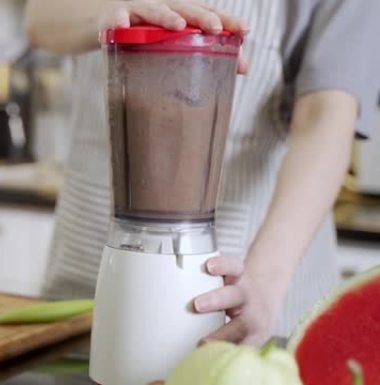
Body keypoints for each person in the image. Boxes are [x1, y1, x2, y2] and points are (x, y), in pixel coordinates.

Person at [25, 0, 380, 345]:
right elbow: (40, 17)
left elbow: (326, 114)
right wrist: (108, 12)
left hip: (243, 296)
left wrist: (264, 281)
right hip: (80, 289)